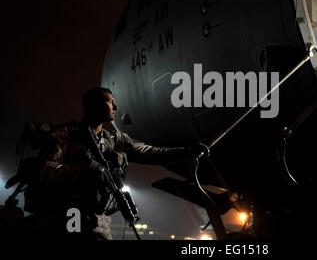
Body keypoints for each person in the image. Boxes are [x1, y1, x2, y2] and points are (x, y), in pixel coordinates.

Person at [24, 87, 200, 240]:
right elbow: (46, 170)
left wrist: (187, 152)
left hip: (98, 217)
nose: (116, 107)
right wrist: (86, 170)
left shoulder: (113, 138)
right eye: (110, 102)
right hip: (69, 214)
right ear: (95, 106)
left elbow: (148, 152)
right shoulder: (66, 134)